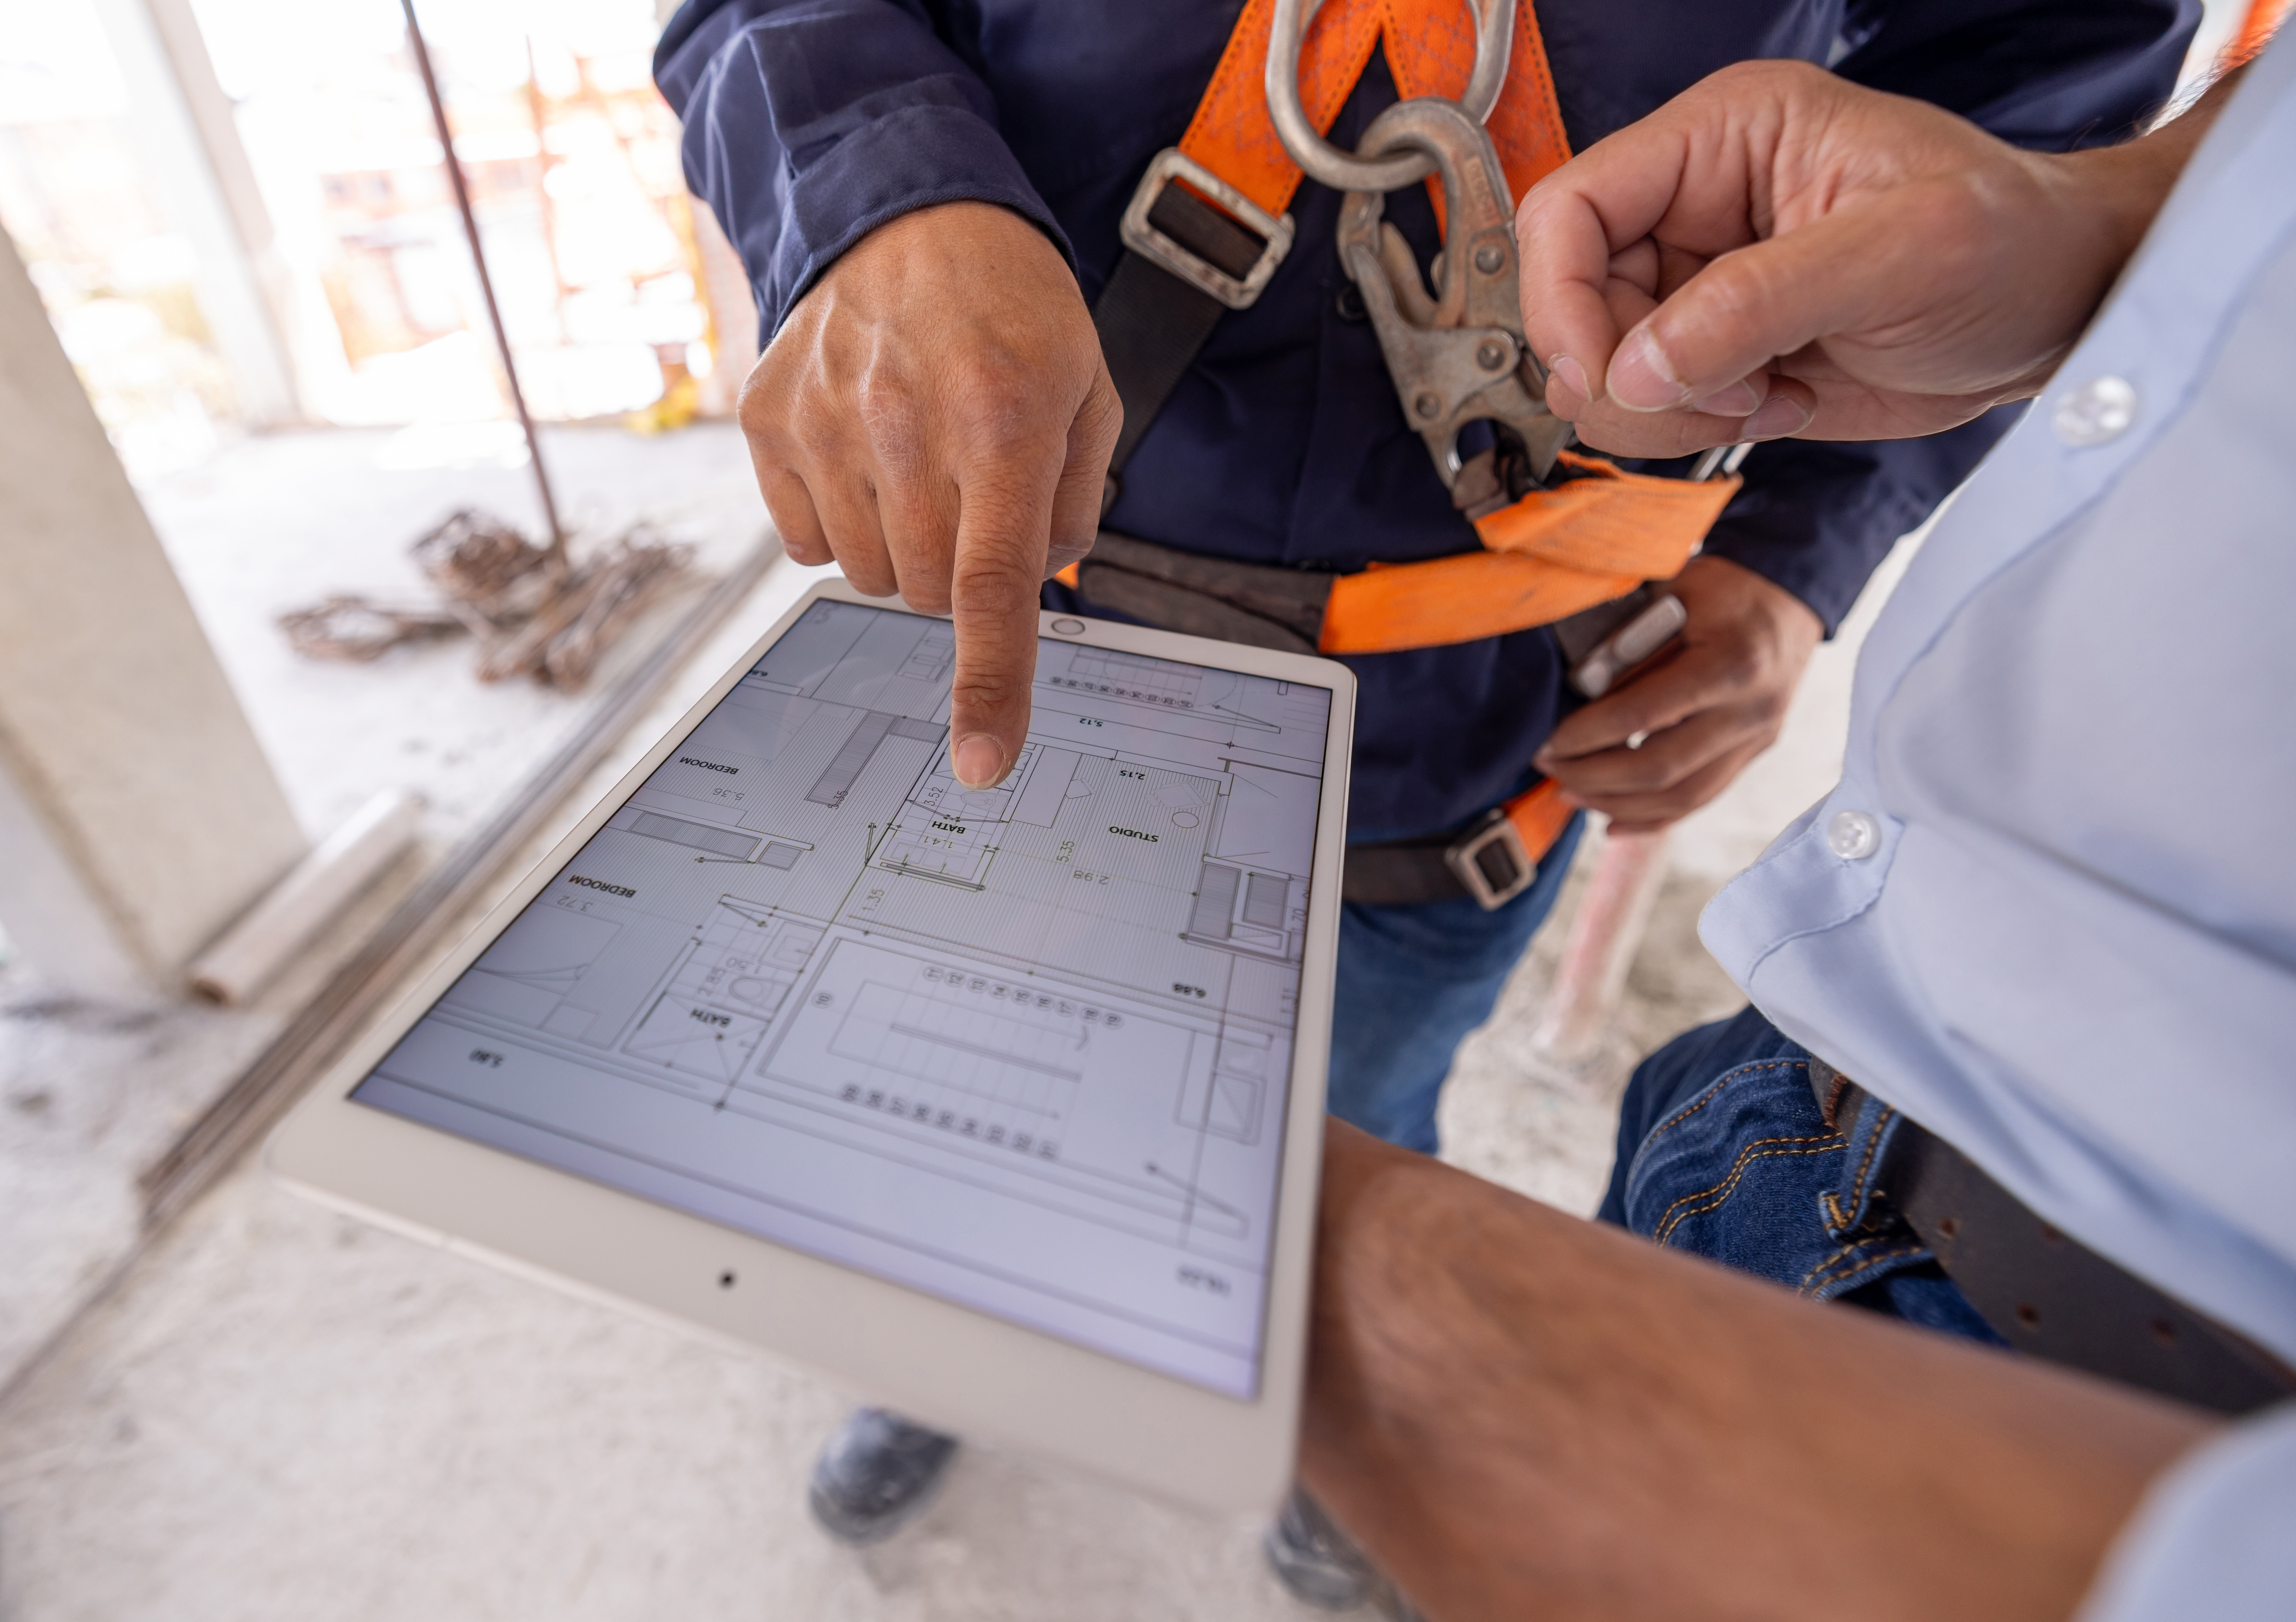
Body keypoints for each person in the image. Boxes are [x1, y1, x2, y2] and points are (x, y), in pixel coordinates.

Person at [650, 0, 2196, 1587]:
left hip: (1473, 729)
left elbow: (2036, 84)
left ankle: (1316, 1456)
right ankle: (945, 1343)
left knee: (1359, 1109)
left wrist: (1793, 557)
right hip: (1028, 635)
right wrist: (875, 199)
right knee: (967, 1082)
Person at [1295, 36, 2295, 1620]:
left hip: (2049, 1422)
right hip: (1799, 1095)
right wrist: (2108, 217)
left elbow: (2034, 45)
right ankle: (954, 1371)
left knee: (1345, 1095)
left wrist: (1320, 1286)